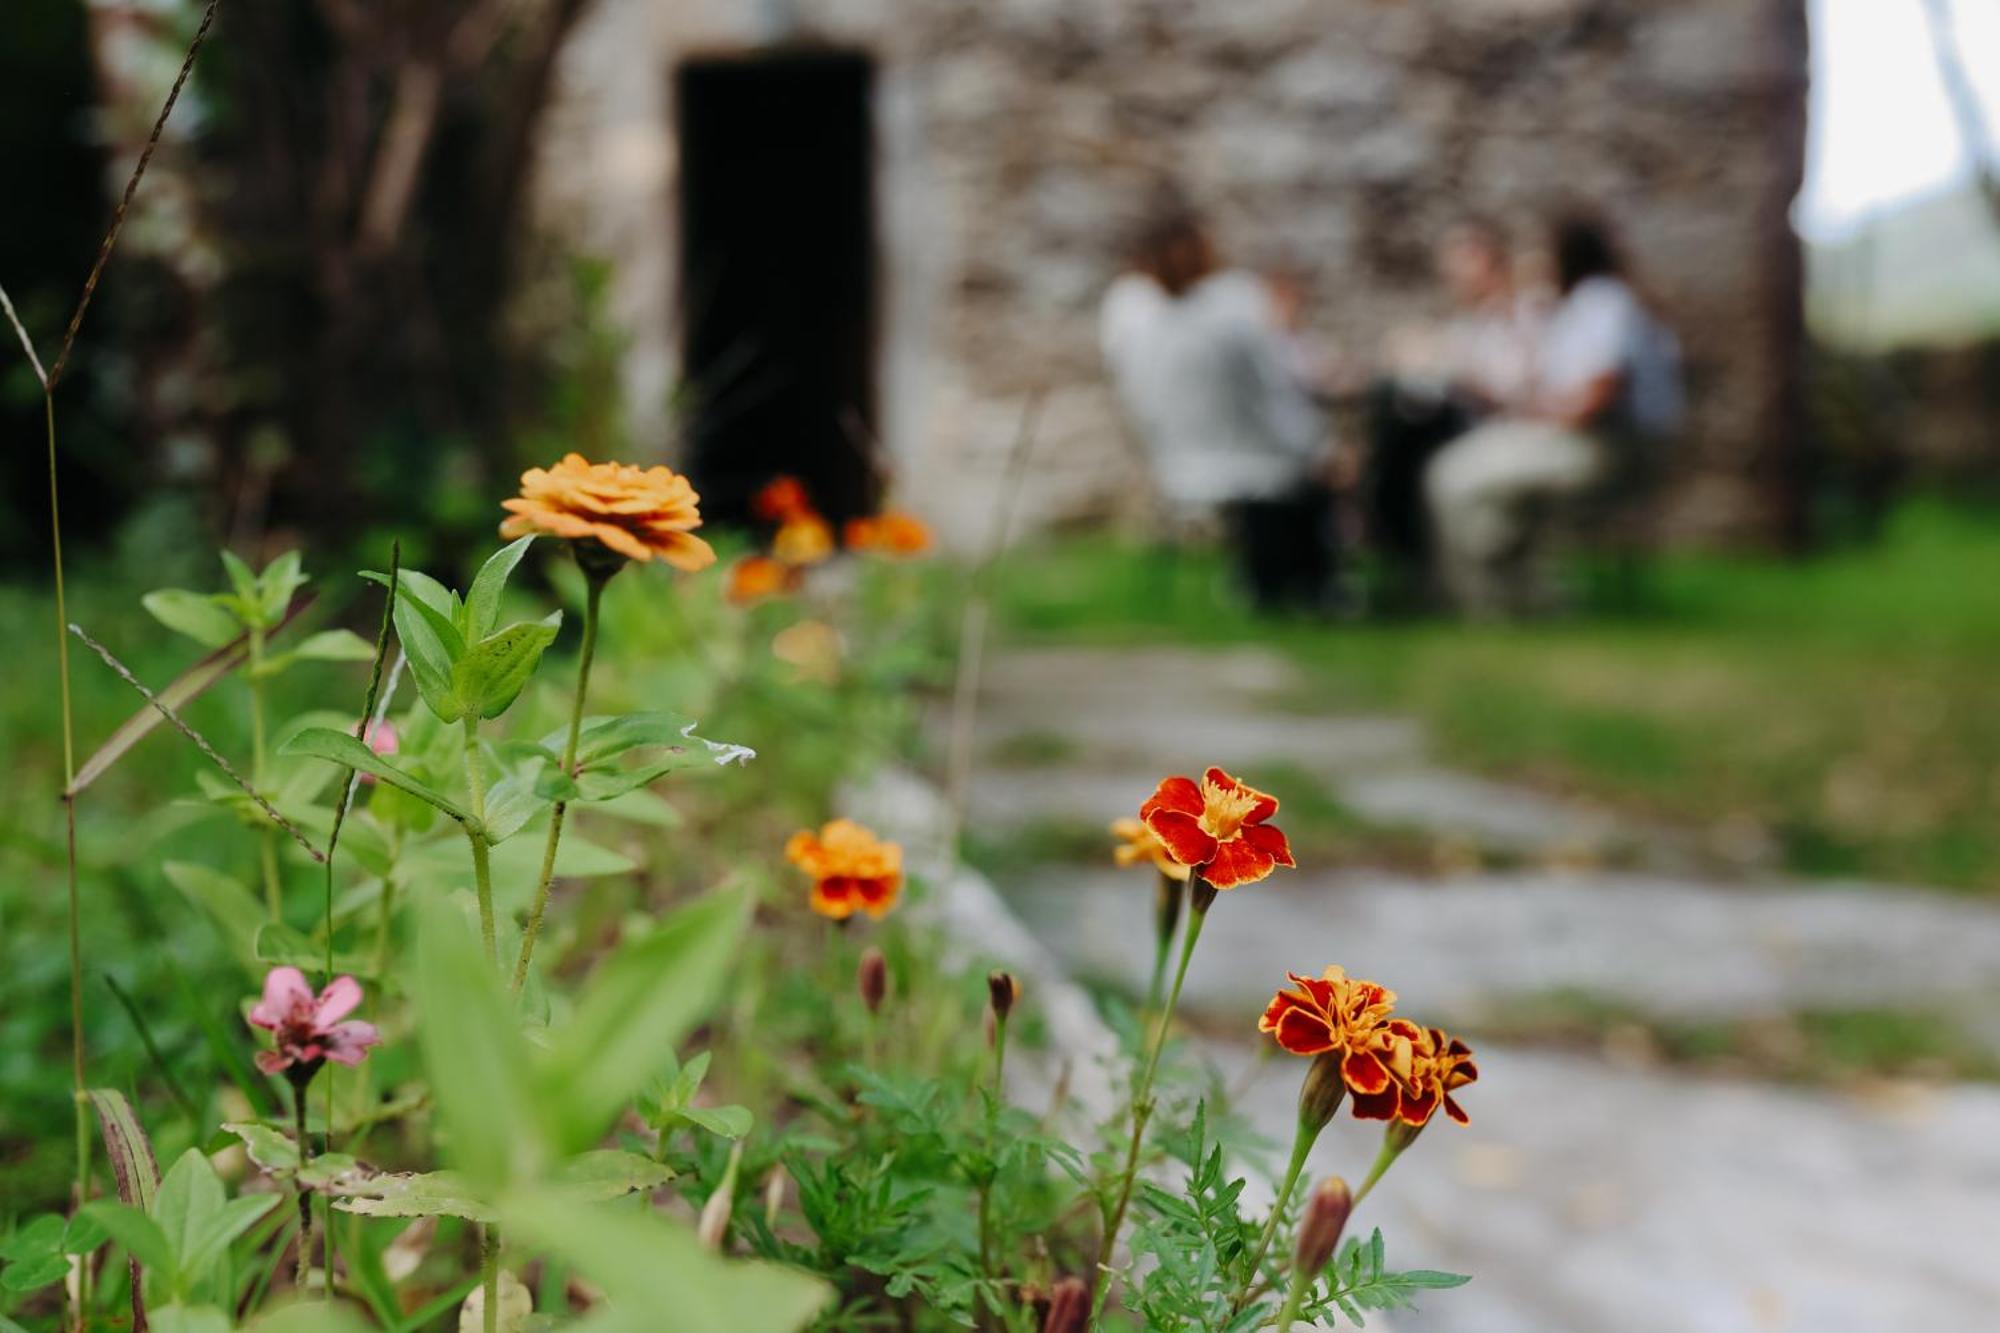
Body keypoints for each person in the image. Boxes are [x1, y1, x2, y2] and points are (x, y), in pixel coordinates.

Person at [1424, 212, 1681, 616]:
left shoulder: (1602, 300)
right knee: (1469, 471)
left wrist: (1538, 417)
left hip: (1602, 450)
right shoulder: (1588, 303)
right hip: (1588, 441)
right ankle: (1522, 593)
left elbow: (1597, 394)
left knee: (1453, 476)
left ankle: (1483, 603)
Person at [1099, 207, 1334, 613]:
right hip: (1260, 460)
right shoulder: (1236, 305)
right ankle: (1316, 587)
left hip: (1173, 459)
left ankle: (1274, 580)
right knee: (1312, 465)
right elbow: (1272, 389)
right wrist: (1319, 445)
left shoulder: (1128, 314)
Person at [1362, 218, 1546, 609]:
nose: (1452, 275)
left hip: (1503, 429)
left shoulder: (1524, 316)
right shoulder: (1470, 323)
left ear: (1492, 263)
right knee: (1395, 422)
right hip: (1463, 425)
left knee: (1401, 443)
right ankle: (1407, 559)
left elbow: (1518, 388)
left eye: (1463, 262)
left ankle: (1412, 568)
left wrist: (1453, 369)